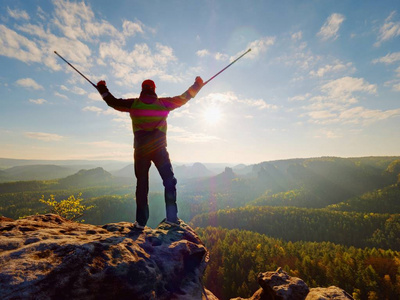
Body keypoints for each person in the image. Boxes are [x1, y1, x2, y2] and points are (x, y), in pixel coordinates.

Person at [96, 77, 204, 229]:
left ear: (142, 89)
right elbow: (184, 97)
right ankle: (172, 218)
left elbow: (112, 102)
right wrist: (197, 85)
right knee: (169, 181)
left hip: (141, 150)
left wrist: (102, 88)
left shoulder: (133, 104)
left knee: (142, 185)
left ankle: (140, 222)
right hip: (159, 149)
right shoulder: (162, 104)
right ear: (154, 89)